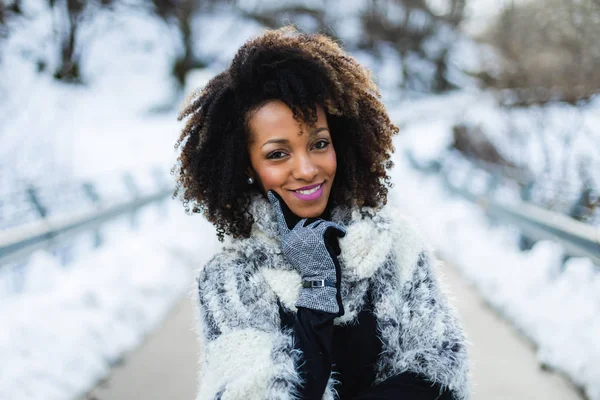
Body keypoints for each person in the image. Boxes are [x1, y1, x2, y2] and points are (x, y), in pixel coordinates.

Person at [174, 27, 470, 400]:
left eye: (318, 144)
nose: (307, 168)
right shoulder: (227, 280)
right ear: (247, 165)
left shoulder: (395, 247)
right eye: (277, 153)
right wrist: (317, 289)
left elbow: (443, 376)